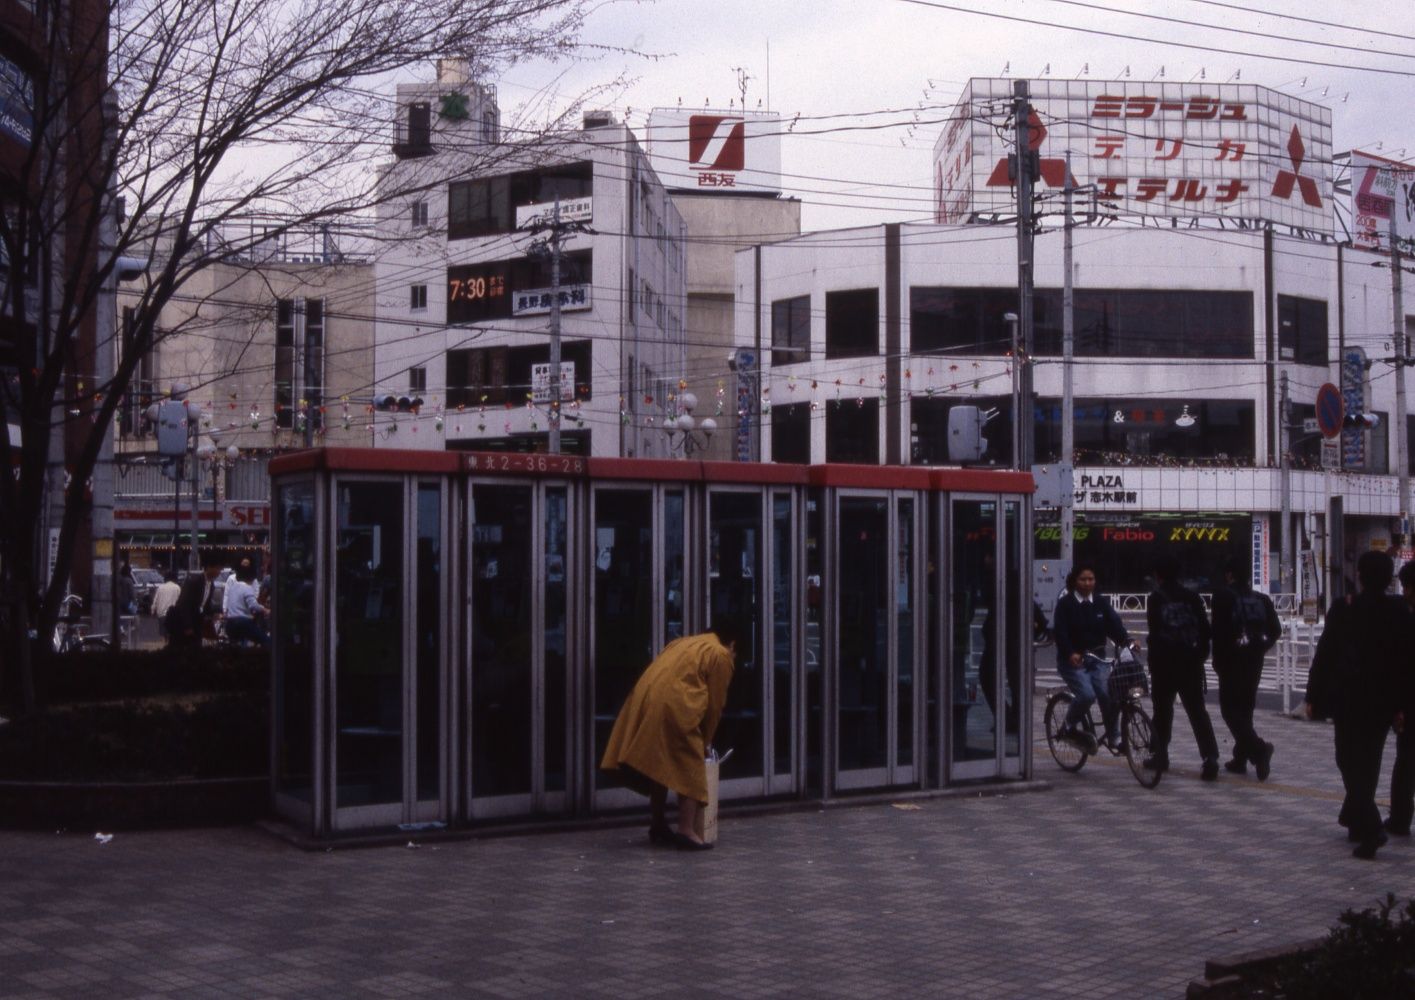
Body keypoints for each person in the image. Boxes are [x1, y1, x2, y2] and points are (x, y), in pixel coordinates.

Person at [600, 618, 741, 850]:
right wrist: (706, 741)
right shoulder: (720, 653)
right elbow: (715, 704)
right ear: (732, 644)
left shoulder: (682, 643)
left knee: (660, 763)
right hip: (677, 706)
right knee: (691, 765)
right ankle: (686, 830)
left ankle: (658, 823)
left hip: (646, 701)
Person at [1304, 550, 1409, 860]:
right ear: (1390, 578)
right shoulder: (1400, 611)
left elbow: (1325, 654)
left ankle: (1371, 825)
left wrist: (1313, 695)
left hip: (1348, 697)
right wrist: (1402, 705)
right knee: (1370, 760)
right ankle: (1356, 819)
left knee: (1347, 761)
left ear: (1360, 576)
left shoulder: (1346, 608)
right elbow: (1406, 662)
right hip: (1383, 701)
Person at [1144, 554, 1221, 781]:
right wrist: (1200, 655)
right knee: (1197, 712)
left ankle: (1160, 755)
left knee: (1162, 711)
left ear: (1157, 575)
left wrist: (1153, 662)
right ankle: (1210, 758)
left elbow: (1155, 632)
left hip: (1164, 664)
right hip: (1191, 663)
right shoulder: (1193, 597)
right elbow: (1206, 631)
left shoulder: (1155, 598)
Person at [1053, 564, 1136, 753]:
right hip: (1073, 662)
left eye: (1091, 579)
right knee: (1087, 695)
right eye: (1083, 579)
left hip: (1098, 659)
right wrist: (1070, 653)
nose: (1088, 583)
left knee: (1108, 695)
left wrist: (1127, 640)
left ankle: (1114, 737)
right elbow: (1060, 632)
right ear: (1075, 581)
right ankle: (1068, 725)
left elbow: (1114, 625)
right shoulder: (1065, 604)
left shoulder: (1100, 602)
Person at [1211, 555, 1281, 780]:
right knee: (1245, 708)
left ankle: (1259, 750)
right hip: (1254, 660)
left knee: (1230, 711)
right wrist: (1261, 646)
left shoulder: (1222, 597)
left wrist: (1217, 660)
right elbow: (1276, 630)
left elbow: (1219, 632)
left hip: (1231, 659)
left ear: (1229, 574)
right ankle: (1240, 758)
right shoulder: (1261, 598)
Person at [1388, 562, 1415, 836]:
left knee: (1406, 761)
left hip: (1410, 704)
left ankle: (1400, 818)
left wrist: (1398, 708)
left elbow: (1403, 669)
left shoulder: (1407, 621)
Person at [167, 551, 224, 650]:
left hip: (197, 625)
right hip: (182, 625)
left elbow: (203, 606)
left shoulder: (211, 586)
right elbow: (184, 605)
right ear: (209, 567)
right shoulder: (194, 582)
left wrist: (214, 614)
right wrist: (188, 626)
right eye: (218, 568)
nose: (219, 572)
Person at [222, 564, 269, 647]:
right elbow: (253, 606)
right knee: (266, 640)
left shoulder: (233, 587)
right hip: (242, 623)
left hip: (229, 624)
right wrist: (265, 610)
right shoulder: (247, 588)